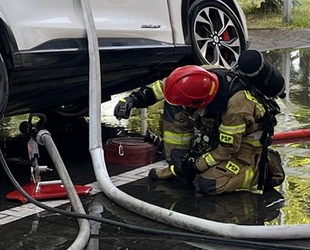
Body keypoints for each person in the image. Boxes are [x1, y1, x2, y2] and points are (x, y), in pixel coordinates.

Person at [113, 50, 286, 195]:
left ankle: (262, 169)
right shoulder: (201, 75)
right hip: (220, 133)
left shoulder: (237, 109)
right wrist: (133, 99)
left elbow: (226, 150)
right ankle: (178, 160)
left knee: (208, 184)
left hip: (242, 147)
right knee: (173, 103)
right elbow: (166, 87)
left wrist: (194, 165)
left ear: (201, 103)